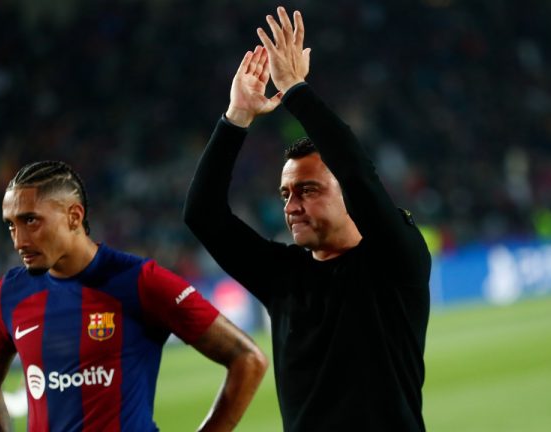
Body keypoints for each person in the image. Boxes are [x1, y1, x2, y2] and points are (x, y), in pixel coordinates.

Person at [184, 7, 431, 431]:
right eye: (286, 193)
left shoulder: (395, 263)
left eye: (309, 190)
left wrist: (296, 90)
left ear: (348, 197)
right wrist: (237, 117)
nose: (291, 205)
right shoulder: (282, 276)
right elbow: (203, 214)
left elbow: (357, 172)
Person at [0, 160, 268, 431]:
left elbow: (248, 359)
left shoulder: (140, 282)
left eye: (31, 221)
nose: (19, 240)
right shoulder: (9, 295)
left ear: (74, 216)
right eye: (11, 225)